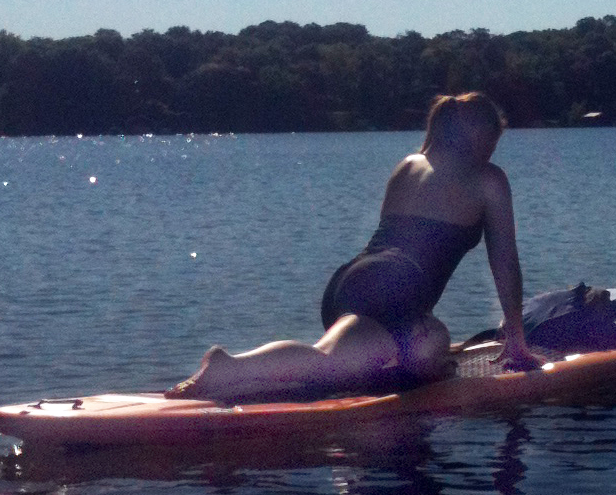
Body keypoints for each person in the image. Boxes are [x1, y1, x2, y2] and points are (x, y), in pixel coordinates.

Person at [167, 93, 542, 402]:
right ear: (480, 137)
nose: (493, 153)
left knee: (381, 350)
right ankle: (230, 366)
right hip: (393, 291)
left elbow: (394, 241)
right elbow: (505, 260)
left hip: (350, 284)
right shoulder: (489, 180)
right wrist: (517, 342)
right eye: (493, 143)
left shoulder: (409, 164)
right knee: (405, 349)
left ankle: (254, 373)